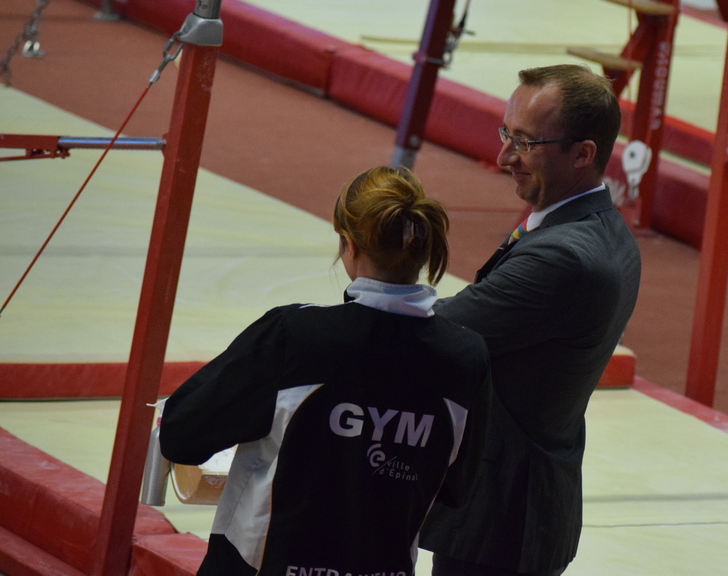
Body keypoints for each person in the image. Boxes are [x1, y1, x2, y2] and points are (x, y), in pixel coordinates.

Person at [160, 166, 492, 576]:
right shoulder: (466, 357)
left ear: (348, 245)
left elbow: (180, 434)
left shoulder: (293, 335)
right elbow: (458, 488)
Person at [420, 64, 642, 576]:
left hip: (500, 516)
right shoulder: (602, 230)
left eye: (524, 142)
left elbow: (435, 332)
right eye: (506, 133)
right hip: (522, 502)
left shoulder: (565, 258)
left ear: (582, 154)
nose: (504, 156)